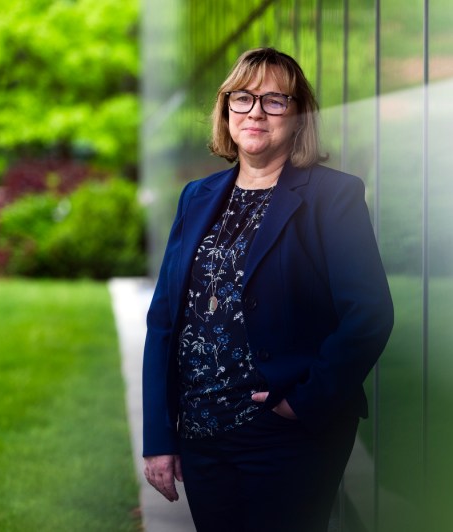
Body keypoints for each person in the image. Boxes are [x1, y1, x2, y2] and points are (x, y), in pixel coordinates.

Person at [141, 47, 394, 532]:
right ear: (226, 110)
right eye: (243, 98)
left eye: (275, 100)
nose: (255, 112)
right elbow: (165, 321)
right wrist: (159, 435)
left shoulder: (331, 196)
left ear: (298, 117)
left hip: (286, 435)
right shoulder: (197, 196)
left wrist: (301, 401)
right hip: (201, 437)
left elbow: (370, 313)